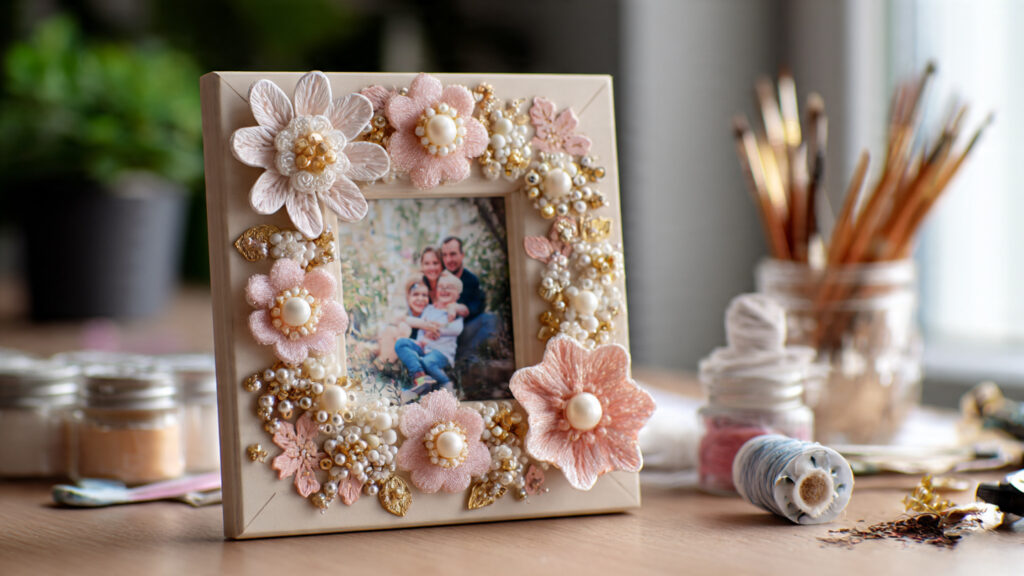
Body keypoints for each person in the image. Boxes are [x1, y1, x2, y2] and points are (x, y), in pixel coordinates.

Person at [395, 272, 464, 401]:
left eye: (449, 287)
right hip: (423, 347)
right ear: (436, 292)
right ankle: (420, 378)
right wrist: (425, 330)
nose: (444, 290)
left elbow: (457, 329)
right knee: (401, 343)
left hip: (441, 352)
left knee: (427, 361)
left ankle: (446, 383)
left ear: (457, 295)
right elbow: (415, 325)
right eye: (441, 287)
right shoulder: (430, 309)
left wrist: (439, 328)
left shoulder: (455, 314)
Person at [441, 236, 497, 360]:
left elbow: (479, 306)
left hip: (463, 331)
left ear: (462, 255)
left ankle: (468, 358)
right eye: (444, 255)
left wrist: (463, 309)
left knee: (491, 319)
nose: (448, 259)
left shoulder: (471, 280)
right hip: (442, 334)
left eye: (453, 254)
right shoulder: (439, 280)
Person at [373, 277, 438, 367]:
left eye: (424, 295)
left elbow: (432, 329)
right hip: (401, 351)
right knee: (393, 329)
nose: (420, 299)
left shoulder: (431, 314)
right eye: (415, 294)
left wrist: (424, 324)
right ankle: (383, 363)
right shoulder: (406, 314)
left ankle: (384, 365)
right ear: (408, 297)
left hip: (422, 353)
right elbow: (397, 319)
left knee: (403, 327)